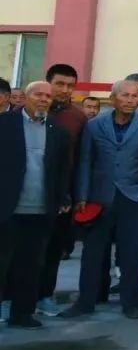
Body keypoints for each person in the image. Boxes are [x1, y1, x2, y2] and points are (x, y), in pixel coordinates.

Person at [61, 79, 138, 320]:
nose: (130, 100)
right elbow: (86, 161)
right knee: (92, 253)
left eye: (135, 96)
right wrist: (82, 195)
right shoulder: (95, 124)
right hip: (98, 197)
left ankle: (131, 303)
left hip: (134, 197)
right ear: (113, 97)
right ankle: (86, 302)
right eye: (125, 95)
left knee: (131, 253)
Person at [0, 81, 71, 329]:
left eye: (48, 96)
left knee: (30, 264)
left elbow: (63, 169)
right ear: (25, 97)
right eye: (38, 94)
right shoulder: (5, 124)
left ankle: (22, 313)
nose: (43, 99)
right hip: (7, 207)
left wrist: (63, 198)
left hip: (41, 208)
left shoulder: (58, 131)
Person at [37, 64, 86, 318]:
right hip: (28, 192)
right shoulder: (28, 112)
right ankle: (11, 298)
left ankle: (45, 295)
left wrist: (76, 195)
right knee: (21, 249)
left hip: (62, 195)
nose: (65, 90)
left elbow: (81, 159)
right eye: (60, 84)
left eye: (70, 86)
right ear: (48, 82)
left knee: (54, 249)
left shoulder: (77, 118)